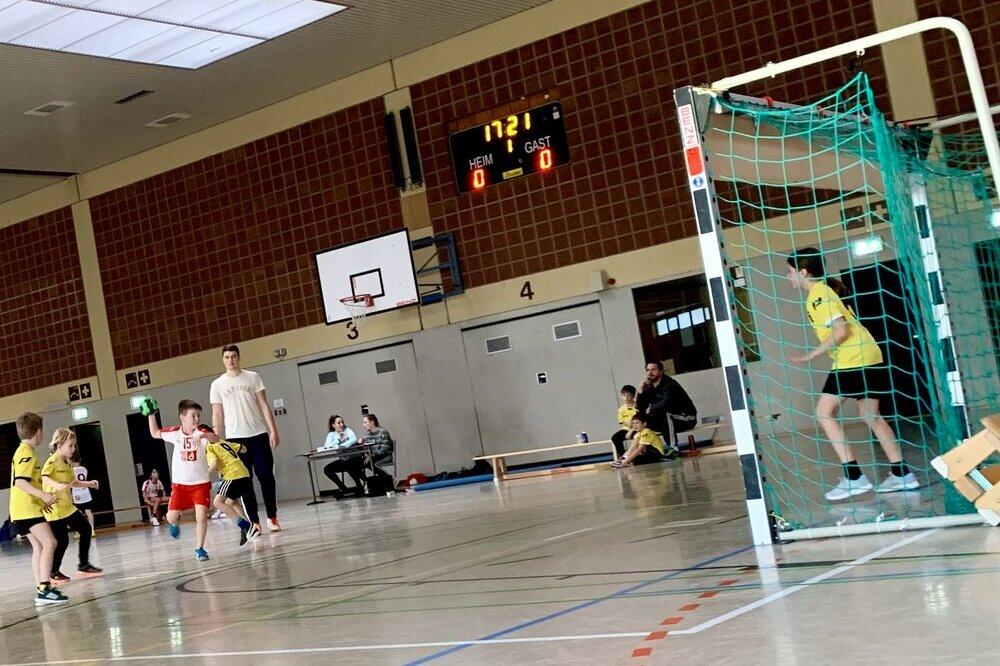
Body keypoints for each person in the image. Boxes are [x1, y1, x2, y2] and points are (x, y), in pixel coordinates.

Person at [787, 248, 919, 501]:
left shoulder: (817, 295)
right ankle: (902, 474)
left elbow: (840, 331)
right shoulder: (826, 290)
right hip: (870, 354)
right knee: (871, 415)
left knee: (824, 412)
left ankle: (854, 477)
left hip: (853, 359)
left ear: (803, 272)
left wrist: (812, 355)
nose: (788, 277)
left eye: (791, 271)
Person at [210, 344, 282, 532]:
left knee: (266, 476)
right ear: (223, 360)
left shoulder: (253, 377)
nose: (231, 360)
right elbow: (217, 414)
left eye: (233, 356)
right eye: (227, 357)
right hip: (235, 440)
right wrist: (216, 442)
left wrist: (273, 430)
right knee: (245, 482)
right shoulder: (217, 384)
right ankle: (254, 523)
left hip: (258, 435)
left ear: (239, 357)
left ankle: (272, 518)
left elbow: (264, 404)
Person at [147, 398, 218, 561]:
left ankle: (200, 549)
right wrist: (151, 415)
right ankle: (174, 523)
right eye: (193, 416)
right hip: (180, 486)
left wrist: (206, 434)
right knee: (171, 517)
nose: (197, 419)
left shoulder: (202, 430)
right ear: (183, 417)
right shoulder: (175, 433)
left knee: (201, 515)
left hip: (200, 484)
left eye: (198, 416)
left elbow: (216, 438)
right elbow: (155, 433)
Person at [8, 412, 66, 605]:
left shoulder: (23, 451)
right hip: (26, 510)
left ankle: (42, 587)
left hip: (23, 509)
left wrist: (42, 503)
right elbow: (20, 482)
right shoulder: (26, 452)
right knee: (50, 542)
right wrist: (44, 496)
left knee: (39, 546)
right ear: (39, 432)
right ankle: (44, 588)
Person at [41, 428, 103, 583]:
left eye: (74, 446)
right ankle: (53, 572)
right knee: (62, 541)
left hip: (67, 507)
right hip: (55, 509)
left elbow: (72, 482)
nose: (73, 449)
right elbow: (44, 477)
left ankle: (83, 564)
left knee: (86, 529)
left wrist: (89, 483)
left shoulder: (67, 464)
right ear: (59, 444)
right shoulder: (52, 460)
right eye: (70, 446)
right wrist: (56, 485)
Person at [205, 437, 260, 546]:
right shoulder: (222, 442)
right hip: (244, 473)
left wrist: (205, 474)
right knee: (231, 502)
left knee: (217, 502)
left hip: (233, 476)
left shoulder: (209, 447)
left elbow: (214, 463)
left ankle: (245, 525)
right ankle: (248, 529)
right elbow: (243, 448)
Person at [636, 361, 696, 455]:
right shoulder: (649, 386)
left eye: (653, 369)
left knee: (667, 415)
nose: (650, 372)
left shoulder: (669, 383)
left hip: (686, 418)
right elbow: (640, 408)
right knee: (641, 418)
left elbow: (666, 402)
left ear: (661, 371)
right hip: (665, 421)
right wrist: (640, 391)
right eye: (648, 370)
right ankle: (649, 450)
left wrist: (651, 408)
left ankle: (673, 448)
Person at [359, 414, 395, 495]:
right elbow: (367, 450)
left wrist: (371, 455)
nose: (363, 425)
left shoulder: (382, 432)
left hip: (385, 455)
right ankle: (367, 484)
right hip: (374, 456)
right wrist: (362, 445)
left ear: (372, 422)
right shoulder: (367, 435)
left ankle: (390, 479)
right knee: (359, 464)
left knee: (371, 463)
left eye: (365, 422)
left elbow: (384, 449)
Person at [71, 452, 96, 536]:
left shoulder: (71, 471)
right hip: (85, 492)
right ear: (80, 460)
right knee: (89, 512)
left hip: (76, 493)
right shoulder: (84, 469)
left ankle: (79, 532)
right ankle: (92, 530)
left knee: (78, 513)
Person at [612, 385, 638, 458]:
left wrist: (632, 429)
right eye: (624, 395)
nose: (626, 397)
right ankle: (623, 456)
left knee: (637, 436)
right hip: (627, 429)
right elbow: (621, 422)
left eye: (628, 395)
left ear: (633, 395)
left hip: (638, 429)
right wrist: (626, 423)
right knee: (615, 437)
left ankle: (633, 456)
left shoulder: (639, 406)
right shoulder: (621, 409)